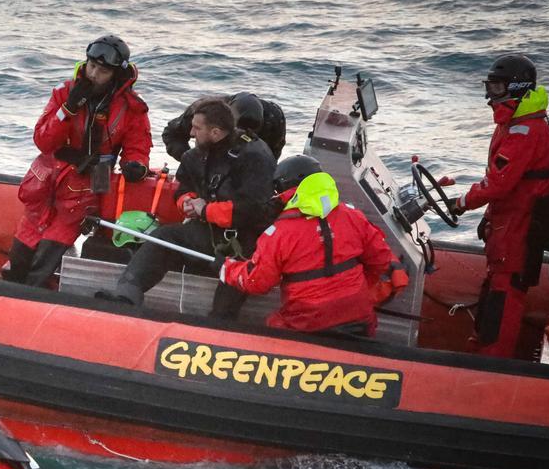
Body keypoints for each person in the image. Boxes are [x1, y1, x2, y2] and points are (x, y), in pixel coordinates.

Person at [97, 96, 276, 316]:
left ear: (216, 133)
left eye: (197, 129)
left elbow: (252, 209)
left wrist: (206, 210)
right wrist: (188, 202)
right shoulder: (196, 155)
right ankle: (126, 294)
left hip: (245, 242)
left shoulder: (255, 157)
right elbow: (183, 186)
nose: (191, 134)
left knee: (229, 295)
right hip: (207, 231)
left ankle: (220, 326)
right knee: (163, 237)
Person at [5, 34, 152, 287]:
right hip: (50, 175)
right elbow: (43, 140)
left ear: (115, 74)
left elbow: (138, 146)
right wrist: (68, 109)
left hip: (95, 177)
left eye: (102, 70)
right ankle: (11, 289)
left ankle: (38, 295)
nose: (94, 73)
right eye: (91, 66)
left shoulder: (131, 107)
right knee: (24, 246)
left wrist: (135, 165)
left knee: (51, 249)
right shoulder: (65, 92)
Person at [219, 155, 397, 335]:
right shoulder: (352, 216)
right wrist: (353, 290)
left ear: (283, 188)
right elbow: (381, 260)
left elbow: (257, 282)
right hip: (359, 316)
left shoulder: (279, 233)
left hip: (307, 323)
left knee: (272, 326)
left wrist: (226, 268)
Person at [452, 53, 549, 358]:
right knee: (495, 288)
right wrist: (488, 215)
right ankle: (482, 346)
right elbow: (503, 184)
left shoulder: (524, 130)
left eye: (497, 87)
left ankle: (494, 361)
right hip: (507, 220)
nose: (491, 95)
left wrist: (462, 202)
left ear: (516, 87)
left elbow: (500, 182)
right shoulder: (514, 124)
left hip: (519, 225)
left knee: (506, 292)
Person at [162, 92, 287, 161]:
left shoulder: (274, 120)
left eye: (246, 133)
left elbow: (269, 160)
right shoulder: (205, 111)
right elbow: (172, 134)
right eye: (237, 131)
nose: (241, 137)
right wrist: (191, 159)